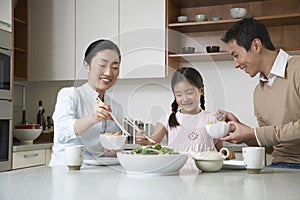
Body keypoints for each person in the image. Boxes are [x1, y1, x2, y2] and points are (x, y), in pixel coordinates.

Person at [217, 17, 300, 169]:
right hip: (278, 166)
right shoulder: (259, 91)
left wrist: (254, 133)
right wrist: (243, 132)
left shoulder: (297, 69)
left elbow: (266, 135)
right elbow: (269, 145)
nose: (236, 64)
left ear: (256, 45)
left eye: (236, 55)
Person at [49, 39, 123, 166]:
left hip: (100, 173)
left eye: (115, 67)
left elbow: (112, 149)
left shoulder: (116, 107)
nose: (108, 72)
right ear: (86, 64)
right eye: (102, 65)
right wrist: (93, 117)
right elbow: (62, 133)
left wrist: (111, 151)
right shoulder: (70, 95)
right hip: (66, 171)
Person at [136, 67, 223, 153]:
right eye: (179, 95)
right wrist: (142, 138)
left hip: (205, 167)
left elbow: (220, 151)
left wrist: (222, 126)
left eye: (189, 93)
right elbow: (151, 143)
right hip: (176, 167)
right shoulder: (167, 119)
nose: (185, 99)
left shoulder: (212, 119)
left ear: (201, 91)